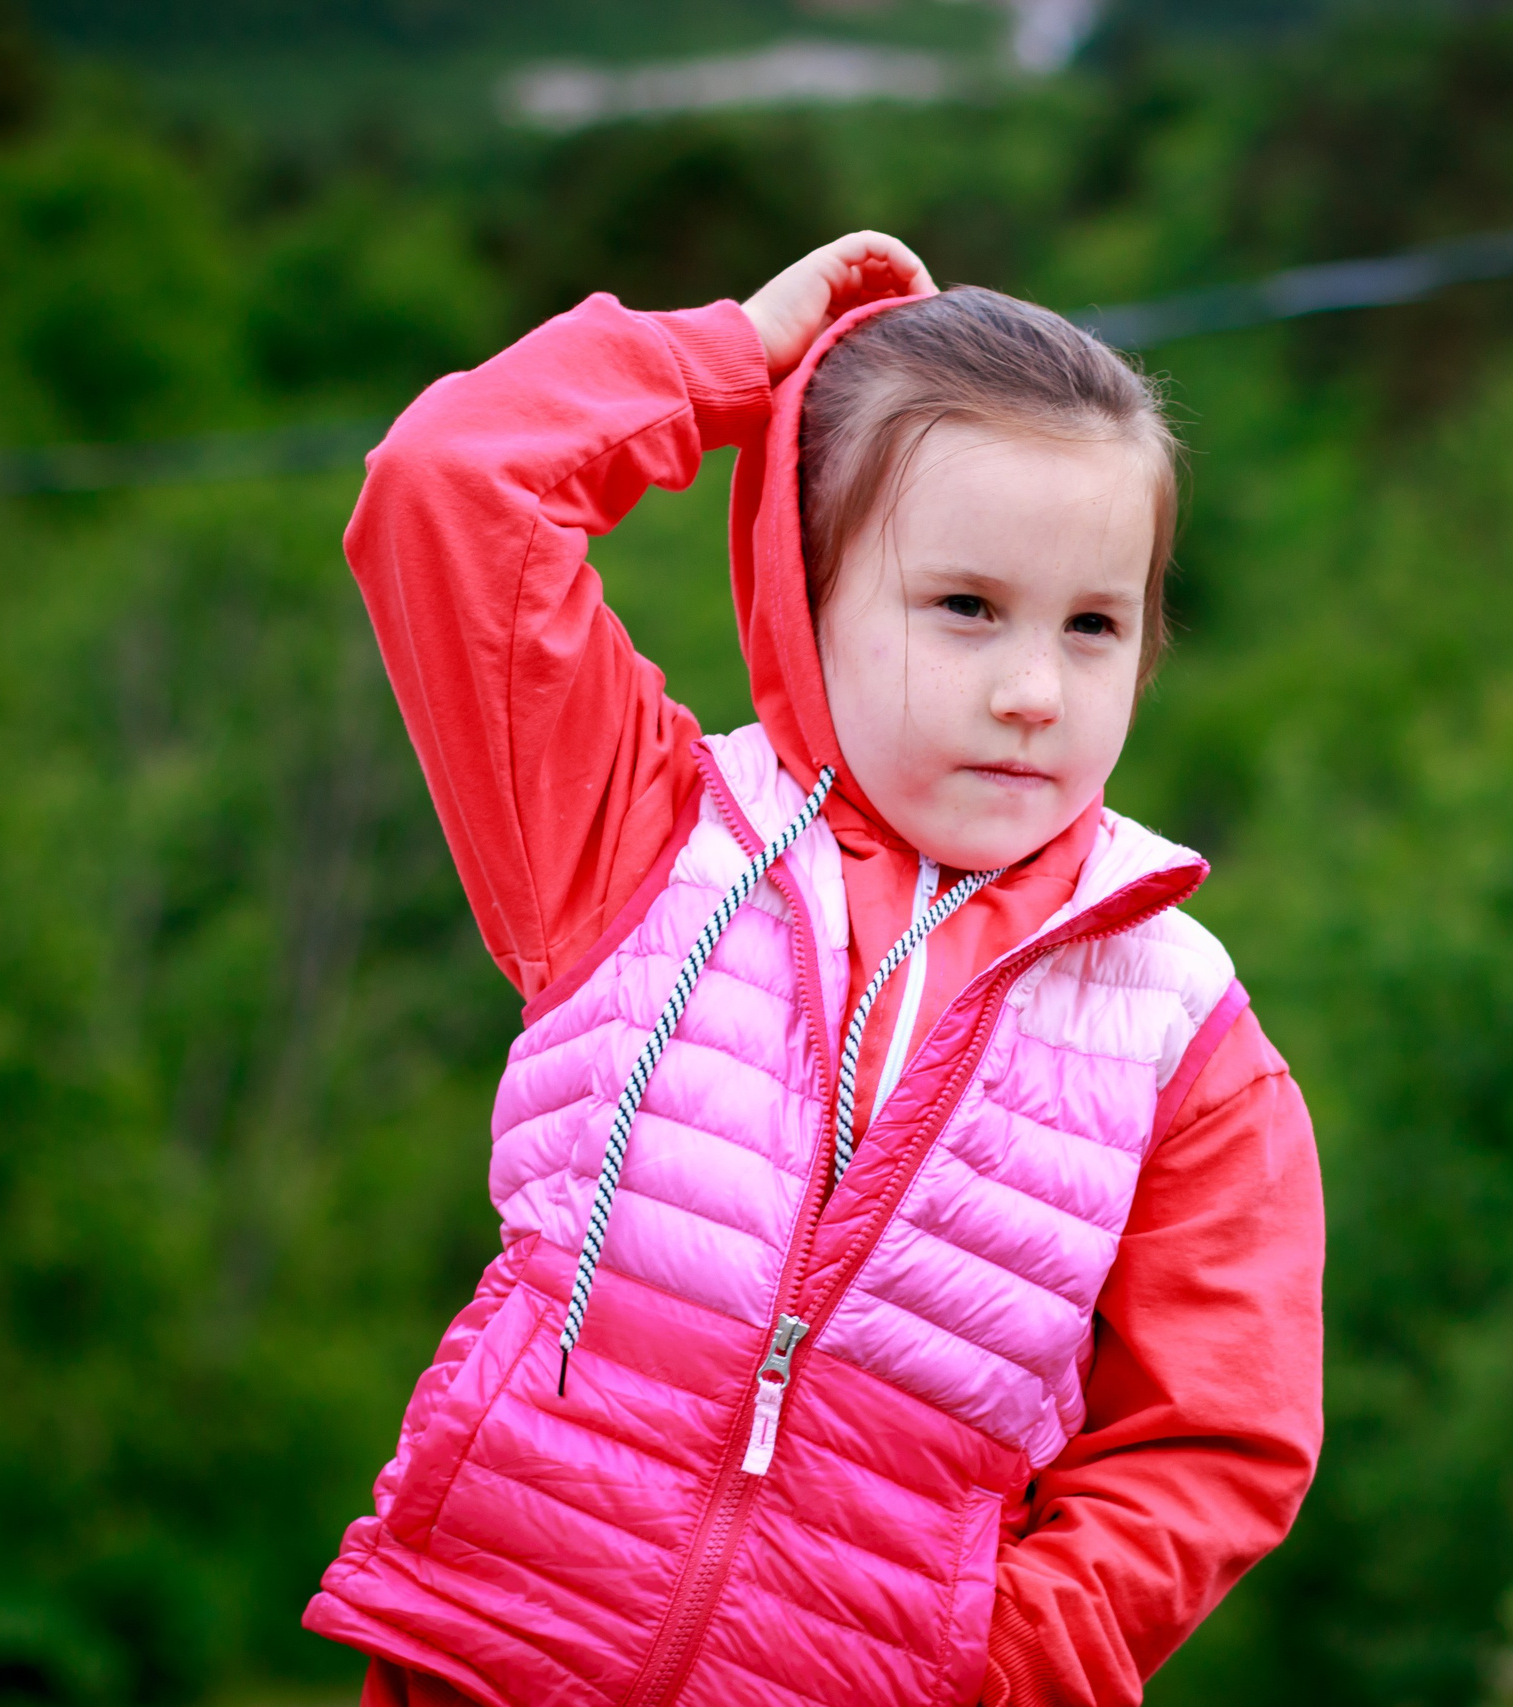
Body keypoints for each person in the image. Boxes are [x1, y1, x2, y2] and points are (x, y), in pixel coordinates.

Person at [305, 232, 1324, 1707]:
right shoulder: (640, 834)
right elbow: (449, 485)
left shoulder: (1179, 1031)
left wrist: (983, 1665)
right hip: (486, 1663)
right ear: (808, 589)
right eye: (965, 606)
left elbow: (1219, 1439)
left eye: (1094, 626)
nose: (1033, 691)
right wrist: (733, 357)